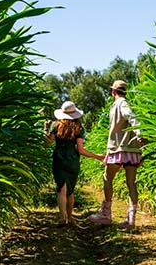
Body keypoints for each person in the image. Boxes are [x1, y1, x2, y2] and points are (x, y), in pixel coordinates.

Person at [88, 80, 145, 227]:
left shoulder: (121, 104)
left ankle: (106, 214)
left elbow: (131, 116)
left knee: (107, 178)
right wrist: (138, 136)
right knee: (131, 183)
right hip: (131, 150)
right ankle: (131, 218)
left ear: (113, 92)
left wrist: (139, 134)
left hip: (118, 148)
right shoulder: (122, 103)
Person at [45, 101, 104, 225]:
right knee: (70, 191)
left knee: (61, 189)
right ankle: (70, 218)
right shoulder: (78, 128)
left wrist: (46, 129)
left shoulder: (56, 126)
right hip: (73, 160)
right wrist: (96, 156)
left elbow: (48, 142)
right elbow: (81, 150)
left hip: (59, 159)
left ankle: (62, 218)